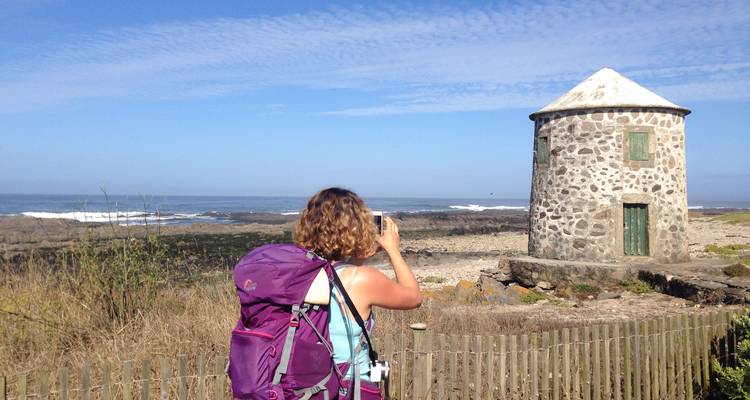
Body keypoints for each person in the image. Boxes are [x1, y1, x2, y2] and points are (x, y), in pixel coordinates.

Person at [294, 187, 422, 398]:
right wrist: (393, 250)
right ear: (355, 227)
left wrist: (359, 256)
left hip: (307, 386)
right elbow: (414, 297)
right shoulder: (361, 279)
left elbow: (340, 281)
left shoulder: (299, 274)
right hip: (348, 388)